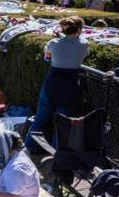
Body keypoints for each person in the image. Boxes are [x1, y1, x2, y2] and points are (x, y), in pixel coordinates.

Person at [25, 17, 88, 153]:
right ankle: (55, 156)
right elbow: (82, 55)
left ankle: (28, 149)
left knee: (40, 118)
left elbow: (47, 56)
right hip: (70, 86)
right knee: (62, 124)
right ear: (79, 30)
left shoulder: (53, 42)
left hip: (52, 82)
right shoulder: (84, 44)